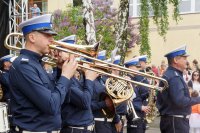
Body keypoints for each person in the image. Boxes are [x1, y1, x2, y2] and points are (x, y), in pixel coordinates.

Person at [9, 14, 78, 132]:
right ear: (32, 37)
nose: (52, 40)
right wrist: (65, 76)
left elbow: (63, 100)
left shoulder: (36, 63)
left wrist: (61, 70)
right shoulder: (23, 65)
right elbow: (51, 106)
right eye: (47, 35)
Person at [156, 45, 200, 133]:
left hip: (174, 121)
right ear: (176, 60)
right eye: (184, 58)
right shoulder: (174, 77)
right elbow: (181, 101)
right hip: (175, 122)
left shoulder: (173, 74)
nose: (187, 61)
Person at [124, 57, 150, 133]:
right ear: (130, 67)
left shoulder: (133, 80)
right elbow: (127, 100)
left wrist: (149, 93)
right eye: (136, 67)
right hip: (133, 115)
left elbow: (137, 97)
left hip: (139, 115)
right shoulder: (127, 80)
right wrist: (140, 107)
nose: (138, 69)